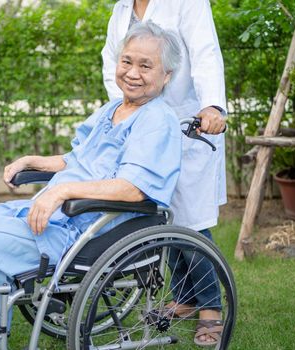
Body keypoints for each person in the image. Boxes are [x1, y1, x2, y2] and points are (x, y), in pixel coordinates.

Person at [0, 21, 183, 350]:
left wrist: (60, 191)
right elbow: (78, 159)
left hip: (85, 227)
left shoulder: (157, 120)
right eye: (127, 61)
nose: (132, 72)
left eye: (146, 66)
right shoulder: (112, 109)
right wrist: (32, 160)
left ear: (166, 75)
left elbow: (133, 188)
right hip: (52, 211)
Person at [101, 0, 227, 347]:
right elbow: (112, 61)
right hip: (144, 124)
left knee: (189, 222)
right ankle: (183, 299)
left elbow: (205, 53)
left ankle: (211, 308)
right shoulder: (120, 9)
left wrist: (212, 105)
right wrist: (127, 107)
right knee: (161, 215)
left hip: (189, 124)